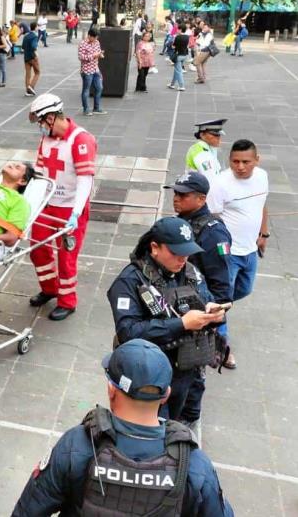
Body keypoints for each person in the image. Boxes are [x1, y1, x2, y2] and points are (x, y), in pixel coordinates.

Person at [12, 339, 234, 516]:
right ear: (166, 395)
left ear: (111, 389)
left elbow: (28, 510)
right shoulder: (194, 464)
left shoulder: (76, 446)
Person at [107, 217, 226, 425]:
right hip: (147, 374)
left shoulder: (190, 272)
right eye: (175, 253)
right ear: (155, 247)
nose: (182, 259)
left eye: (186, 252)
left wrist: (214, 315)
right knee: (150, 429)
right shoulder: (130, 280)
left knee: (182, 420)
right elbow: (128, 332)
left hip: (188, 367)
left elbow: (208, 299)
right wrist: (181, 324)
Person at [28, 94, 96, 321]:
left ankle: (67, 301)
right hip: (47, 205)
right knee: (37, 248)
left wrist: (76, 213)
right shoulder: (46, 140)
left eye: (40, 121)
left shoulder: (80, 140)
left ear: (50, 117)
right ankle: (50, 289)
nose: (39, 127)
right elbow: (39, 174)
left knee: (67, 256)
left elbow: (85, 180)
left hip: (69, 209)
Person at [207, 139, 269, 369]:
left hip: (250, 249)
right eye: (235, 161)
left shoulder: (262, 177)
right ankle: (223, 349)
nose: (240, 166)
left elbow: (263, 204)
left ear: (256, 160)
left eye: (246, 162)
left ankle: (211, 306)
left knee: (243, 290)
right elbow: (210, 218)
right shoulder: (220, 184)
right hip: (227, 253)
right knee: (224, 300)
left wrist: (264, 233)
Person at [165, 172, 234, 374]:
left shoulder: (213, 233)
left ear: (201, 199)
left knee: (191, 374)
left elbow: (221, 284)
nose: (176, 198)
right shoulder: (182, 223)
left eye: (183, 195)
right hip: (177, 307)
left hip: (197, 314)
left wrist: (208, 318)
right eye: (176, 193)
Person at [78, 27, 106, 116]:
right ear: (89, 35)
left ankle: (96, 108)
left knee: (99, 88)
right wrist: (94, 56)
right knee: (86, 90)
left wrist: (100, 55)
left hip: (95, 69)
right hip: (86, 70)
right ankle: (86, 109)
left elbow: (98, 52)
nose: (95, 40)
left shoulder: (97, 42)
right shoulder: (83, 44)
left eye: (96, 38)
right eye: (94, 38)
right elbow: (81, 57)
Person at [166, 23, 189, 92]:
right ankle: (172, 84)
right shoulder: (187, 37)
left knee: (179, 71)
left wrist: (172, 43)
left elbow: (173, 46)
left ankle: (181, 86)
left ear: (180, 29)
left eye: (178, 29)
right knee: (177, 70)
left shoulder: (178, 37)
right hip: (184, 55)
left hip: (178, 55)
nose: (177, 30)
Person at [22, 21, 40, 96]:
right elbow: (34, 46)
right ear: (35, 27)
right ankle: (31, 87)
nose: (38, 28)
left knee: (28, 74)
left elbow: (23, 47)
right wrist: (36, 54)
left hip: (26, 57)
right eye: (37, 26)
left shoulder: (26, 36)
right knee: (37, 72)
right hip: (33, 57)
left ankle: (27, 90)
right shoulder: (35, 36)